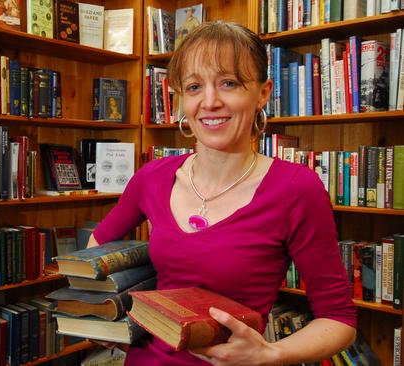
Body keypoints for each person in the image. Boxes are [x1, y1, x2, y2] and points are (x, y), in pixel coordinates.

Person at [87, 21, 356, 365]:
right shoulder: (152, 177)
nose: (210, 102)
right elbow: (96, 252)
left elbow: (339, 319)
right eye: (194, 86)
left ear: (262, 93)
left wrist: (270, 354)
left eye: (228, 83)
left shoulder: (296, 189)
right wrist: (109, 316)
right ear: (181, 99)